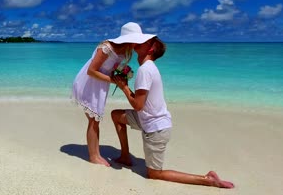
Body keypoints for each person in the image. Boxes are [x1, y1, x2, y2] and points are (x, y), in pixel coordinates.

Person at [111, 36, 234, 188]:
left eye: (144, 41)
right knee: (116, 115)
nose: (138, 41)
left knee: (154, 174)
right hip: (147, 119)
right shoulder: (148, 68)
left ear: (151, 48)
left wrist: (124, 87)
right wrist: (126, 86)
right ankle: (125, 156)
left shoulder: (145, 70)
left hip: (156, 128)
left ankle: (207, 179)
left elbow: (137, 105)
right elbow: (141, 102)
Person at [72, 22, 155, 167]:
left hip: (100, 84)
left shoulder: (124, 51)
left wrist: (121, 76)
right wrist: (114, 81)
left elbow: (109, 68)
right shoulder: (106, 47)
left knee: (95, 120)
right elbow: (91, 70)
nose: (137, 44)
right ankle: (94, 156)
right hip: (90, 84)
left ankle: (96, 153)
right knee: (93, 120)